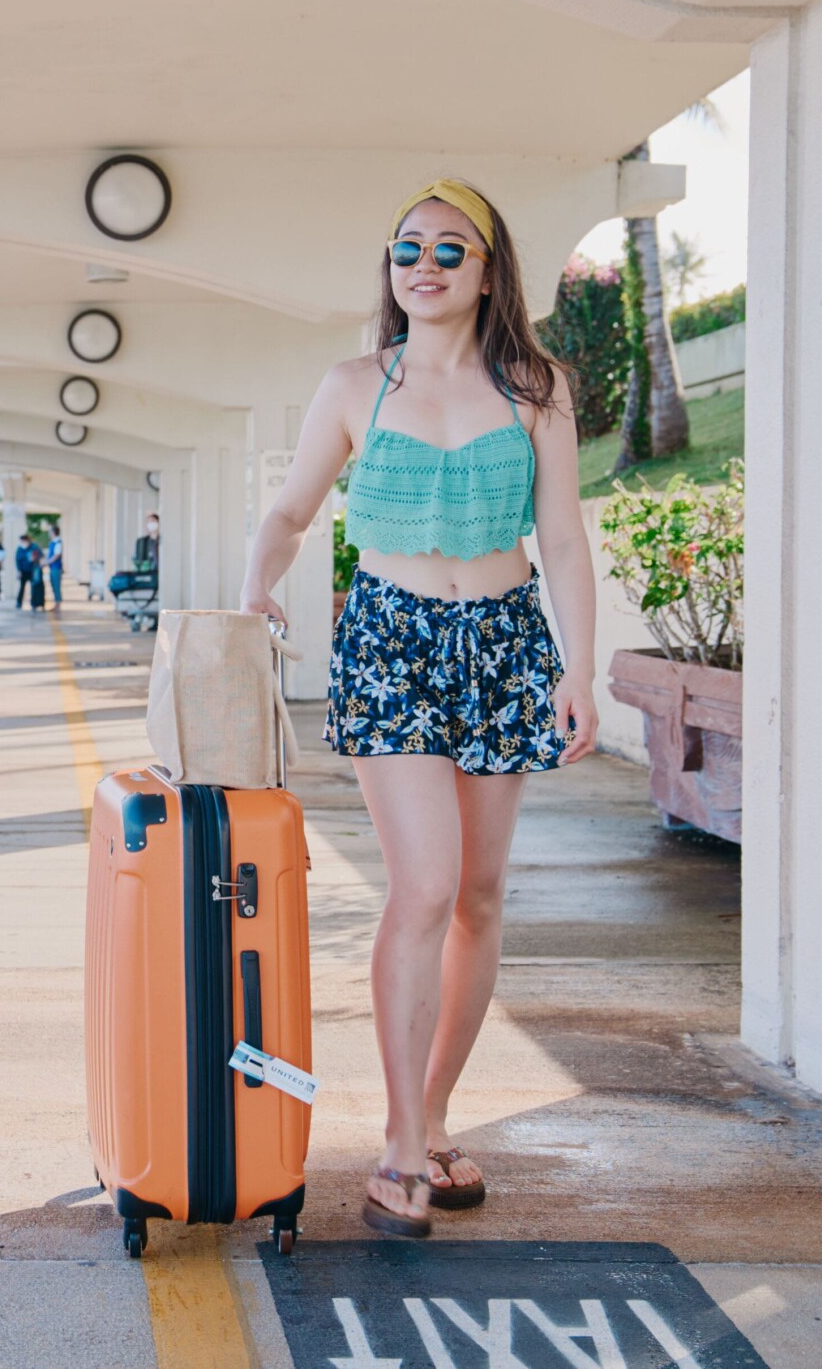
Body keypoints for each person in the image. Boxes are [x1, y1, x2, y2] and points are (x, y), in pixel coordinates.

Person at [239, 179, 599, 1240]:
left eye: (451, 248)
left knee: (481, 897)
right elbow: (292, 509)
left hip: (504, 640)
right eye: (407, 248)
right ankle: (401, 1143)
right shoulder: (356, 384)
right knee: (426, 883)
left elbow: (565, 539)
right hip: (390, 641)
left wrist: (579, 668)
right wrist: (260, 582)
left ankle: (435, 1118)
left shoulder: (537, 388)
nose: (425, 264)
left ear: (489, 271)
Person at [12, 535, 37, 610]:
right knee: (22, 588)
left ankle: (34, 604)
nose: (22, 543)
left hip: (32, 570)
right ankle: (19, 603)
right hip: (23, 571)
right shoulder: (19, 549)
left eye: (23, 541)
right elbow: (17, 561)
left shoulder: (33, 547)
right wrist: (19, 571)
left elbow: (37, 556)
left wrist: (34, 559)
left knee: (33, 587)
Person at [45, 522, 64, 610]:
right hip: (52, 567)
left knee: (56, 585)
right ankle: (56, 603)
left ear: (53, 532)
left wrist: (46, 562)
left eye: (50, 532)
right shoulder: (53, 542)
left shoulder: (58, 542)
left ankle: (58, 604)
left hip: (56, 568)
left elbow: (57, 555)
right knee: (53, 584)